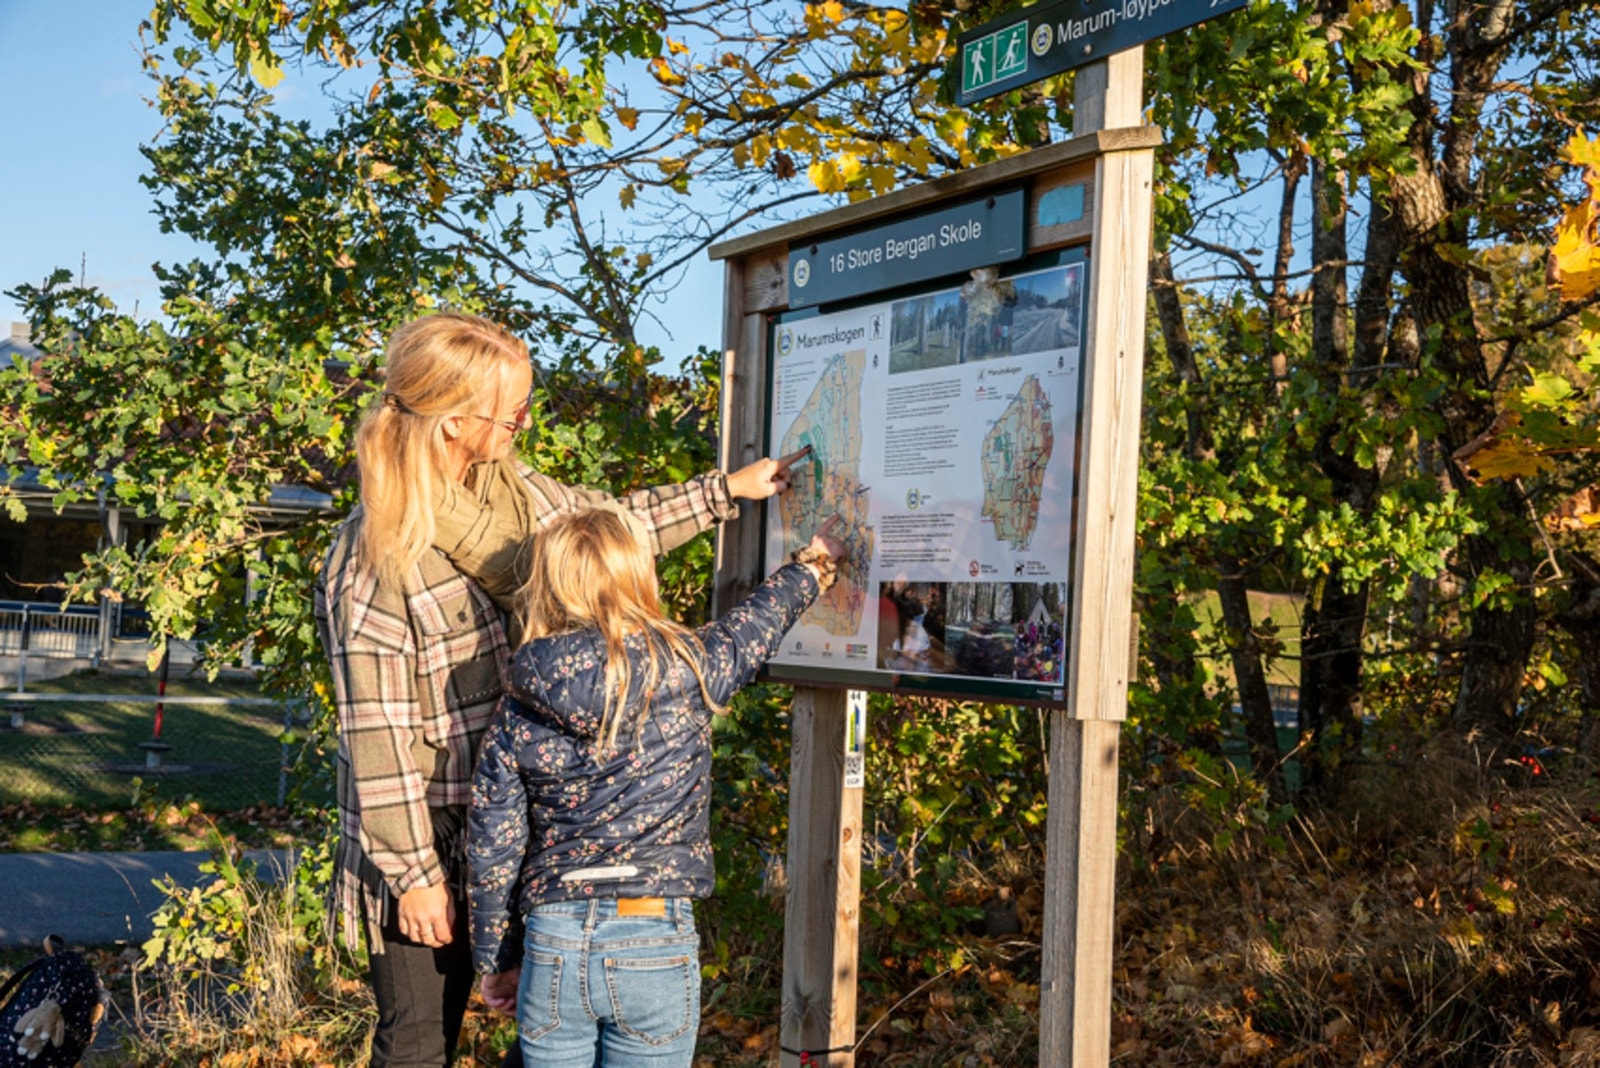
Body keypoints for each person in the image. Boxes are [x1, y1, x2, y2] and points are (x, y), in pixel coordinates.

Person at [314, 310, 804, 1068]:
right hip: (426, 831)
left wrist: (724, 494)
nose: (524, 419)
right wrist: (413, 878)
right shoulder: (373, 554)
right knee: (416, 1046)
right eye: (509, 408)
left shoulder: (519, 497)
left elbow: (608, 530)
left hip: (523, 815)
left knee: (550, 1031)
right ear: (450, 422)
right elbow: (373, 736)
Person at [466, 509, 845, 1067]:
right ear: (637, 575)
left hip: (555, 935)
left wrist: (496, 958)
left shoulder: (522, 696)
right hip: (654, 930)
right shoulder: (688, 667)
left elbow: (493, 846)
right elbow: (756, 624)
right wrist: (812, 567)